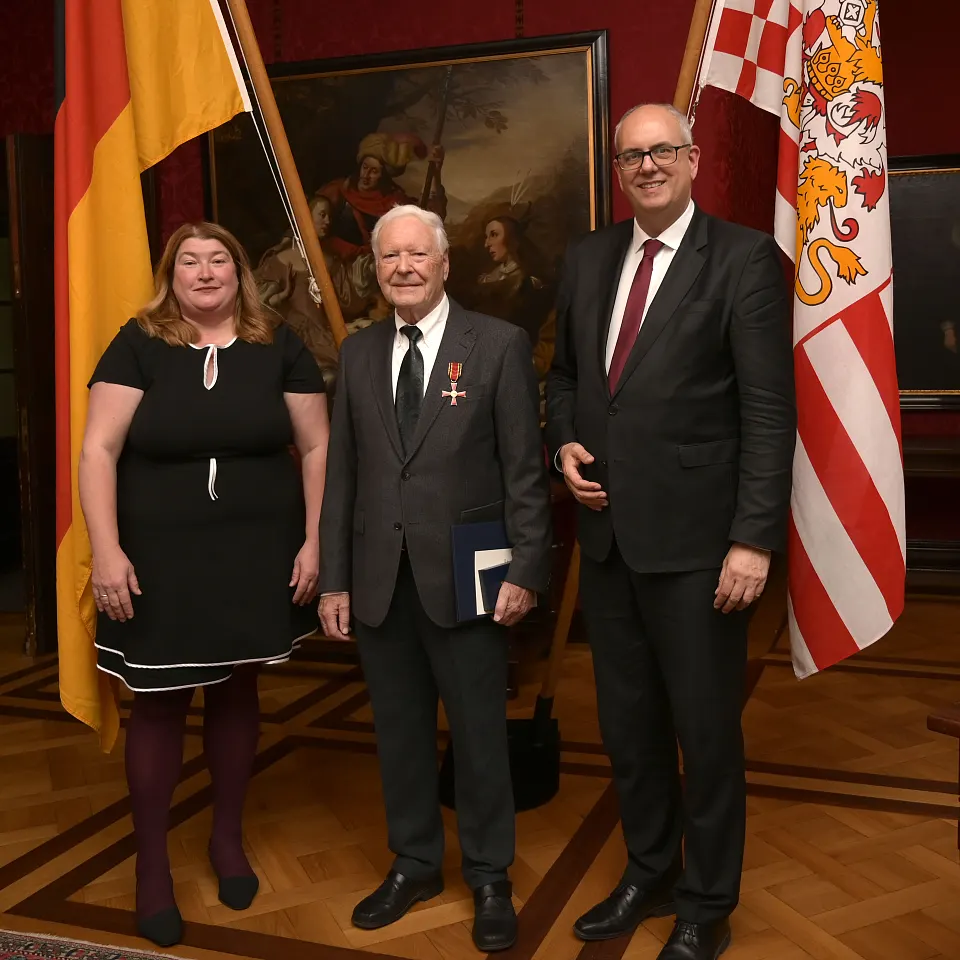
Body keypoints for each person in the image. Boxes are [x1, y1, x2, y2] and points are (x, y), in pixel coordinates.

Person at [546, 104, 796, 960]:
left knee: (705, 733)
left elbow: (768, 410)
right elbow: (567, 380)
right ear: (618, 170)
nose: (646, 165)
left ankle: (706, 903)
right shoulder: (586, 258)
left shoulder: (744, 260)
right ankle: (648, 870)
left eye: (661, 151)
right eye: (631, 156)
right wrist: (563, 443)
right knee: (629, 729)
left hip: (702, 549)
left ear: (691, 159)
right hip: (608, 540)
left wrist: (755, 539)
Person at [79, 222, 329, 948]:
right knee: (157, 705)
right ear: (171, 274)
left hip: (257, 552)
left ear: (239, 272)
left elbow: (315, 446)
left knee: (237, 691)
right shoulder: (138, 342)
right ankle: (151, 868)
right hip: (156, 559)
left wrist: (315, 540)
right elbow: (98, 448)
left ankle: (226, 840)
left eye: (220, 257)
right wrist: (107, 551)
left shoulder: (275, 342)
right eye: (189, 260)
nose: (205, 270)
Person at [318, 205, 552, 953]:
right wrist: (335, 580)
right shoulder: (355, 355)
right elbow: (343, 478)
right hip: (380, 579)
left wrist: (526, 568)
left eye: (417, 255)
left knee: (481, 736)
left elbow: (524, 471)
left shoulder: (499, 345)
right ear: (377, 269)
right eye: (390, 258)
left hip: (471, 579)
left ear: (445, 263)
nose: (404, 268)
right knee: (401, 735)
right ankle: (415, 862)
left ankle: (489, 875)